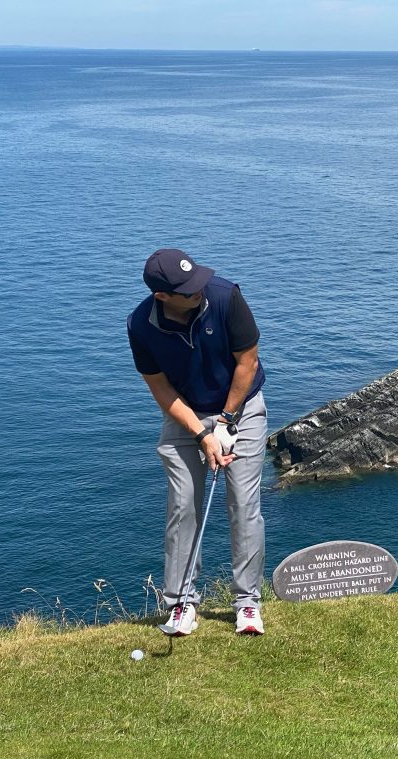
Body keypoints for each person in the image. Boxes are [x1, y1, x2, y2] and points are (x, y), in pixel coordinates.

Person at [127, 248, 267, 636]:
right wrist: (202, 433)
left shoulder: (225, 297)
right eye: (188, 290)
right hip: (185, 414)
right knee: (183, 506)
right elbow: (161, 389)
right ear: (162, 297)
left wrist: (225, 421)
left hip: (240, 407)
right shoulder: (141, 325)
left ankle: (248, 604)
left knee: (243, 503)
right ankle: (180, 604)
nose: (199, 291)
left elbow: (248, 362)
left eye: (199, 282)